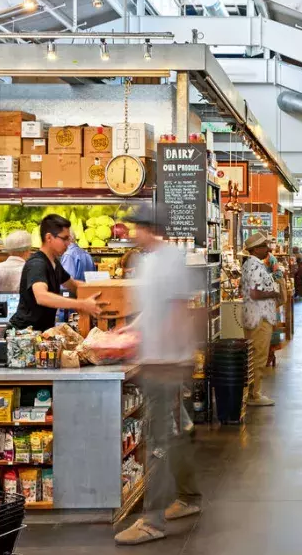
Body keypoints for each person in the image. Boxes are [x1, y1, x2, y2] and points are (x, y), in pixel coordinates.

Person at [114, 204, 201, 546]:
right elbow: (152, 310)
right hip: (155, 359)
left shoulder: (170, 262)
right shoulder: (147, 261)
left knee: (159, 441)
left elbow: (179, 311)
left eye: (136, 227)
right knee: (174, 434)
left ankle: (153, 521)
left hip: (165, 363)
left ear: (150, 228)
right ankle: (190, 497)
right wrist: (129, 331)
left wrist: (174, 357)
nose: (132, 232)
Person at [8, 214, 105, 332]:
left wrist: (105, 293)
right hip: (23, 335)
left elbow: (74, 285)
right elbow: (42, 296)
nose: (69, 243)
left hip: (41, 333)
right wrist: (81, 304)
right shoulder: (37, 264)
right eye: (64, 238)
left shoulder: (54, 263)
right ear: (49, 238)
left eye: (69, 238)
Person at [241, 232, 280, 407]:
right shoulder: (255, 266)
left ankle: (252, 392)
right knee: (258, 355)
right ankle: (254, 394)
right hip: (259, 317)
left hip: (255, 316)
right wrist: (274, 292)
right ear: (256, 249)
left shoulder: (252, 264)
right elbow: (255, 293)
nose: (268, 249)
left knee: (254, 355)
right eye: (265, 246)